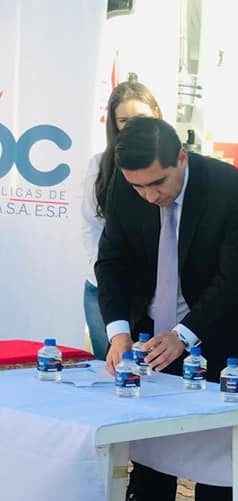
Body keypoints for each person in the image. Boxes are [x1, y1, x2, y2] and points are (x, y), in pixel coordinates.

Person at [96, 116, 238, 501]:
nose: (150, 196)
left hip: (223, 338)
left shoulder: (230, 188)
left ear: (181, 157)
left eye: (158, 183)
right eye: (139, 187)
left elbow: (233, 279)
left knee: (217, 458)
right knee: (151, 450)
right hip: (151, 339)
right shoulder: (126, 187)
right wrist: (118, 332)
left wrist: (184, 335)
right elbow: (112, 263)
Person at [80, 78, 161, 360]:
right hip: (105, 286)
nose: (133, 127)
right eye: (124, 120)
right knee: (109, 365)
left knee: (151, 368)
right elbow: (91, 226)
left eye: (141, 118)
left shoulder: (170, 164)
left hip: (153, 290)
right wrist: (107, 275)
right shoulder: (99, 166)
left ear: (156, 114)